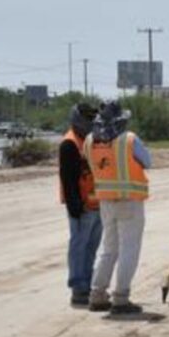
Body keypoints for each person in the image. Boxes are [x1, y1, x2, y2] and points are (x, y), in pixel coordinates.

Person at [85, 101, 151, 314]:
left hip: (106, 202)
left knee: (109, 249)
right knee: (128, 249)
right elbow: (148, 161)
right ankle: (121, 298)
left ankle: (97, 294)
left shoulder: (89, 141)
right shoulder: (129, 140)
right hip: (129, 201)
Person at [59, 103, 102, 307]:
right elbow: (67, 179)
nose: (92, 122)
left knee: (91, 248)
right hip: (81, 206)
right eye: (88, 118)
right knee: (79, 247)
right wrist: (74, 206)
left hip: (97, 203)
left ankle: (88, 283)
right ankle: (78, 288)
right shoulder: (70, 144)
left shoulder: (91, 140)